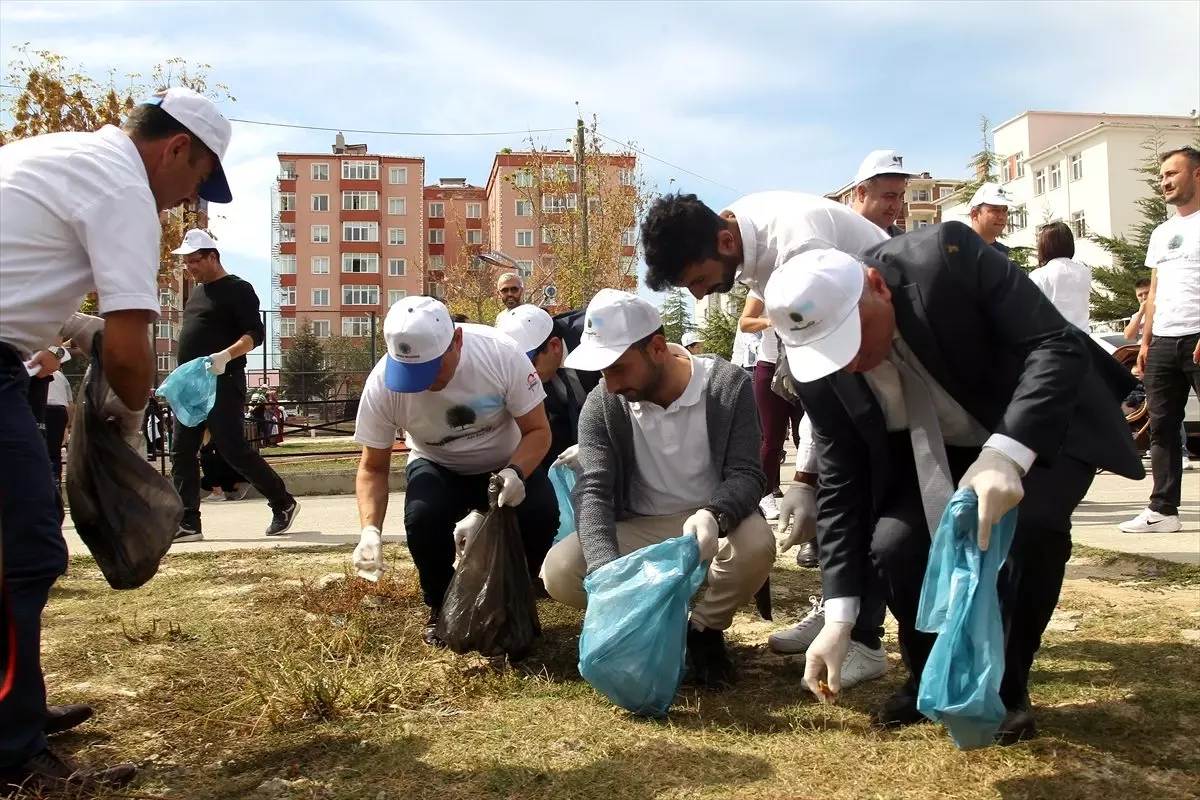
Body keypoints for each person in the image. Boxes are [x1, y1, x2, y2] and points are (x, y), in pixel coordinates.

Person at [764, 226, 1142, 743]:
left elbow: (1054, 344)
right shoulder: (815, 366)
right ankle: (928, 677)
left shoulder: (944, 259)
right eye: (830, 354)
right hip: (931, 446)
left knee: (1030, 530)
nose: (848, 362)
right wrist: (840, 616)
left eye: (850, 340)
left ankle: (1008, 688)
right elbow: (845, 477)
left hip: (1032, 421)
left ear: (876, 285)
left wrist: (1006, 453)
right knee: (895, 546)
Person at [0, 86, 232, 793]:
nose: (187, 201)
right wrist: (126, 427)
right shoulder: (123, 186)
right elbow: (134, 353)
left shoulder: (56, 153)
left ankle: (20, 708)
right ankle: (12, 751)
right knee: (24, 552)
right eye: (196, 182)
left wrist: (70, 327)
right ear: (176, 148)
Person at [640, 190, 891, 688]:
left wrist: (806, 473)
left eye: (696, 280)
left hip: (880, 345)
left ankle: (864, 636)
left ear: (725, 241)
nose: (698, 295)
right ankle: (838, 608)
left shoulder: (798, 246)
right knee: (842, 489)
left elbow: (830, 367)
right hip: (847, 350)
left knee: (867, 494)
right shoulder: (740, 230)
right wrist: (808, 479)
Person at [541, 290, 776, 687]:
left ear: (655, 348)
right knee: (560, 572)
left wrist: (714, 515)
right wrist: (606, 575)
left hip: (710, 523)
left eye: (618, 368)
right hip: (641, 525)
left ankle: (704, 631)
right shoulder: (604, 402)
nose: (611, 384)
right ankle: (653, 620)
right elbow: (593, 489)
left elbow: (747, 474)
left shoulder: (725, 385)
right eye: (603, 372)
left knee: (756, 543)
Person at [350, 297, 556, 646]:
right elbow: (372, 467)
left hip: (505, 461)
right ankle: (440, 604)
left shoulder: (501, 354)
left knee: (542, 513)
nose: (425, 383)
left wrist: (515, 473)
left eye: (432, 369)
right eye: (412, 373)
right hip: (437, 462)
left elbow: (539, 431)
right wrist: (370, 530)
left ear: (456, 341)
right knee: (422, 519)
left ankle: (513, 592)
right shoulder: (382, 384)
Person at [168, 229, 299, 544]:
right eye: (185, 263)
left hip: (222, 380)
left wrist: (226, 356)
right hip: (190, 384)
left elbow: (256, 333)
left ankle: (283, 503)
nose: (190, 268)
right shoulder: (196, 293)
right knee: (181, 451)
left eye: (194, 261)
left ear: (212, 256)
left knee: (232, 449)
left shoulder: (238, 289)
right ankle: (188, 523)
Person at [1120, 147, 1200, 533]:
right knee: (1163, 426)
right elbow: (1154, 288)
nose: (1165, 181)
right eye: (1162, 176)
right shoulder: (1162, 233)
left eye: (1173, 173)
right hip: (1165, 340)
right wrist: (1146, 341)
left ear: (1197, 175)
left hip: (1199, 333)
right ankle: (1163, 511)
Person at [495, 304, 591, 475]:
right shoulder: (526, 374)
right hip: (563, 424)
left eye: (529, 365)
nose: (525, 376)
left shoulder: (590, 337)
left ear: (554, 346)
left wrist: (595, 445)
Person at [1123, 276, 1191, 470]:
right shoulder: (1141, 313)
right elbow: (1128, 335)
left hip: (1163, 362)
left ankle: (1182, 452)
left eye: (1146, 293)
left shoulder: (1164, 312)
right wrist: (1142, 311)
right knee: (1148, 409)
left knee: (1170, 409)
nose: (1143, 297)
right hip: (1143, 370)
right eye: (1139, 295)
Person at [1028, 222, 1091, 331]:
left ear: (1044, 245)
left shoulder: (1039, 275)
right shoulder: (1085, 272)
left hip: (1053, 340)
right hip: (1083, 339)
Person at [850, 150, 913, 236]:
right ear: (862, 193)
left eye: (901, 197)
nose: (896, 206)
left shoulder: (904, 243)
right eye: (890, 196)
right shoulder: (833, 232)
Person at [43, 370, 72, 490]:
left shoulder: (31, 370)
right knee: (55, 454)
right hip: (59, 412)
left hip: (41, 409)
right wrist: (67, 426)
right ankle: (56, 485)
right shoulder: (61, 376)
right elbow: (70, 405)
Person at [967, 182, 1015, 254]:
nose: (1001, 217)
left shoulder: (1002, 253)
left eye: (1004, 210)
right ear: (975, 214)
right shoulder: (957, 251)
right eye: (995, 210)